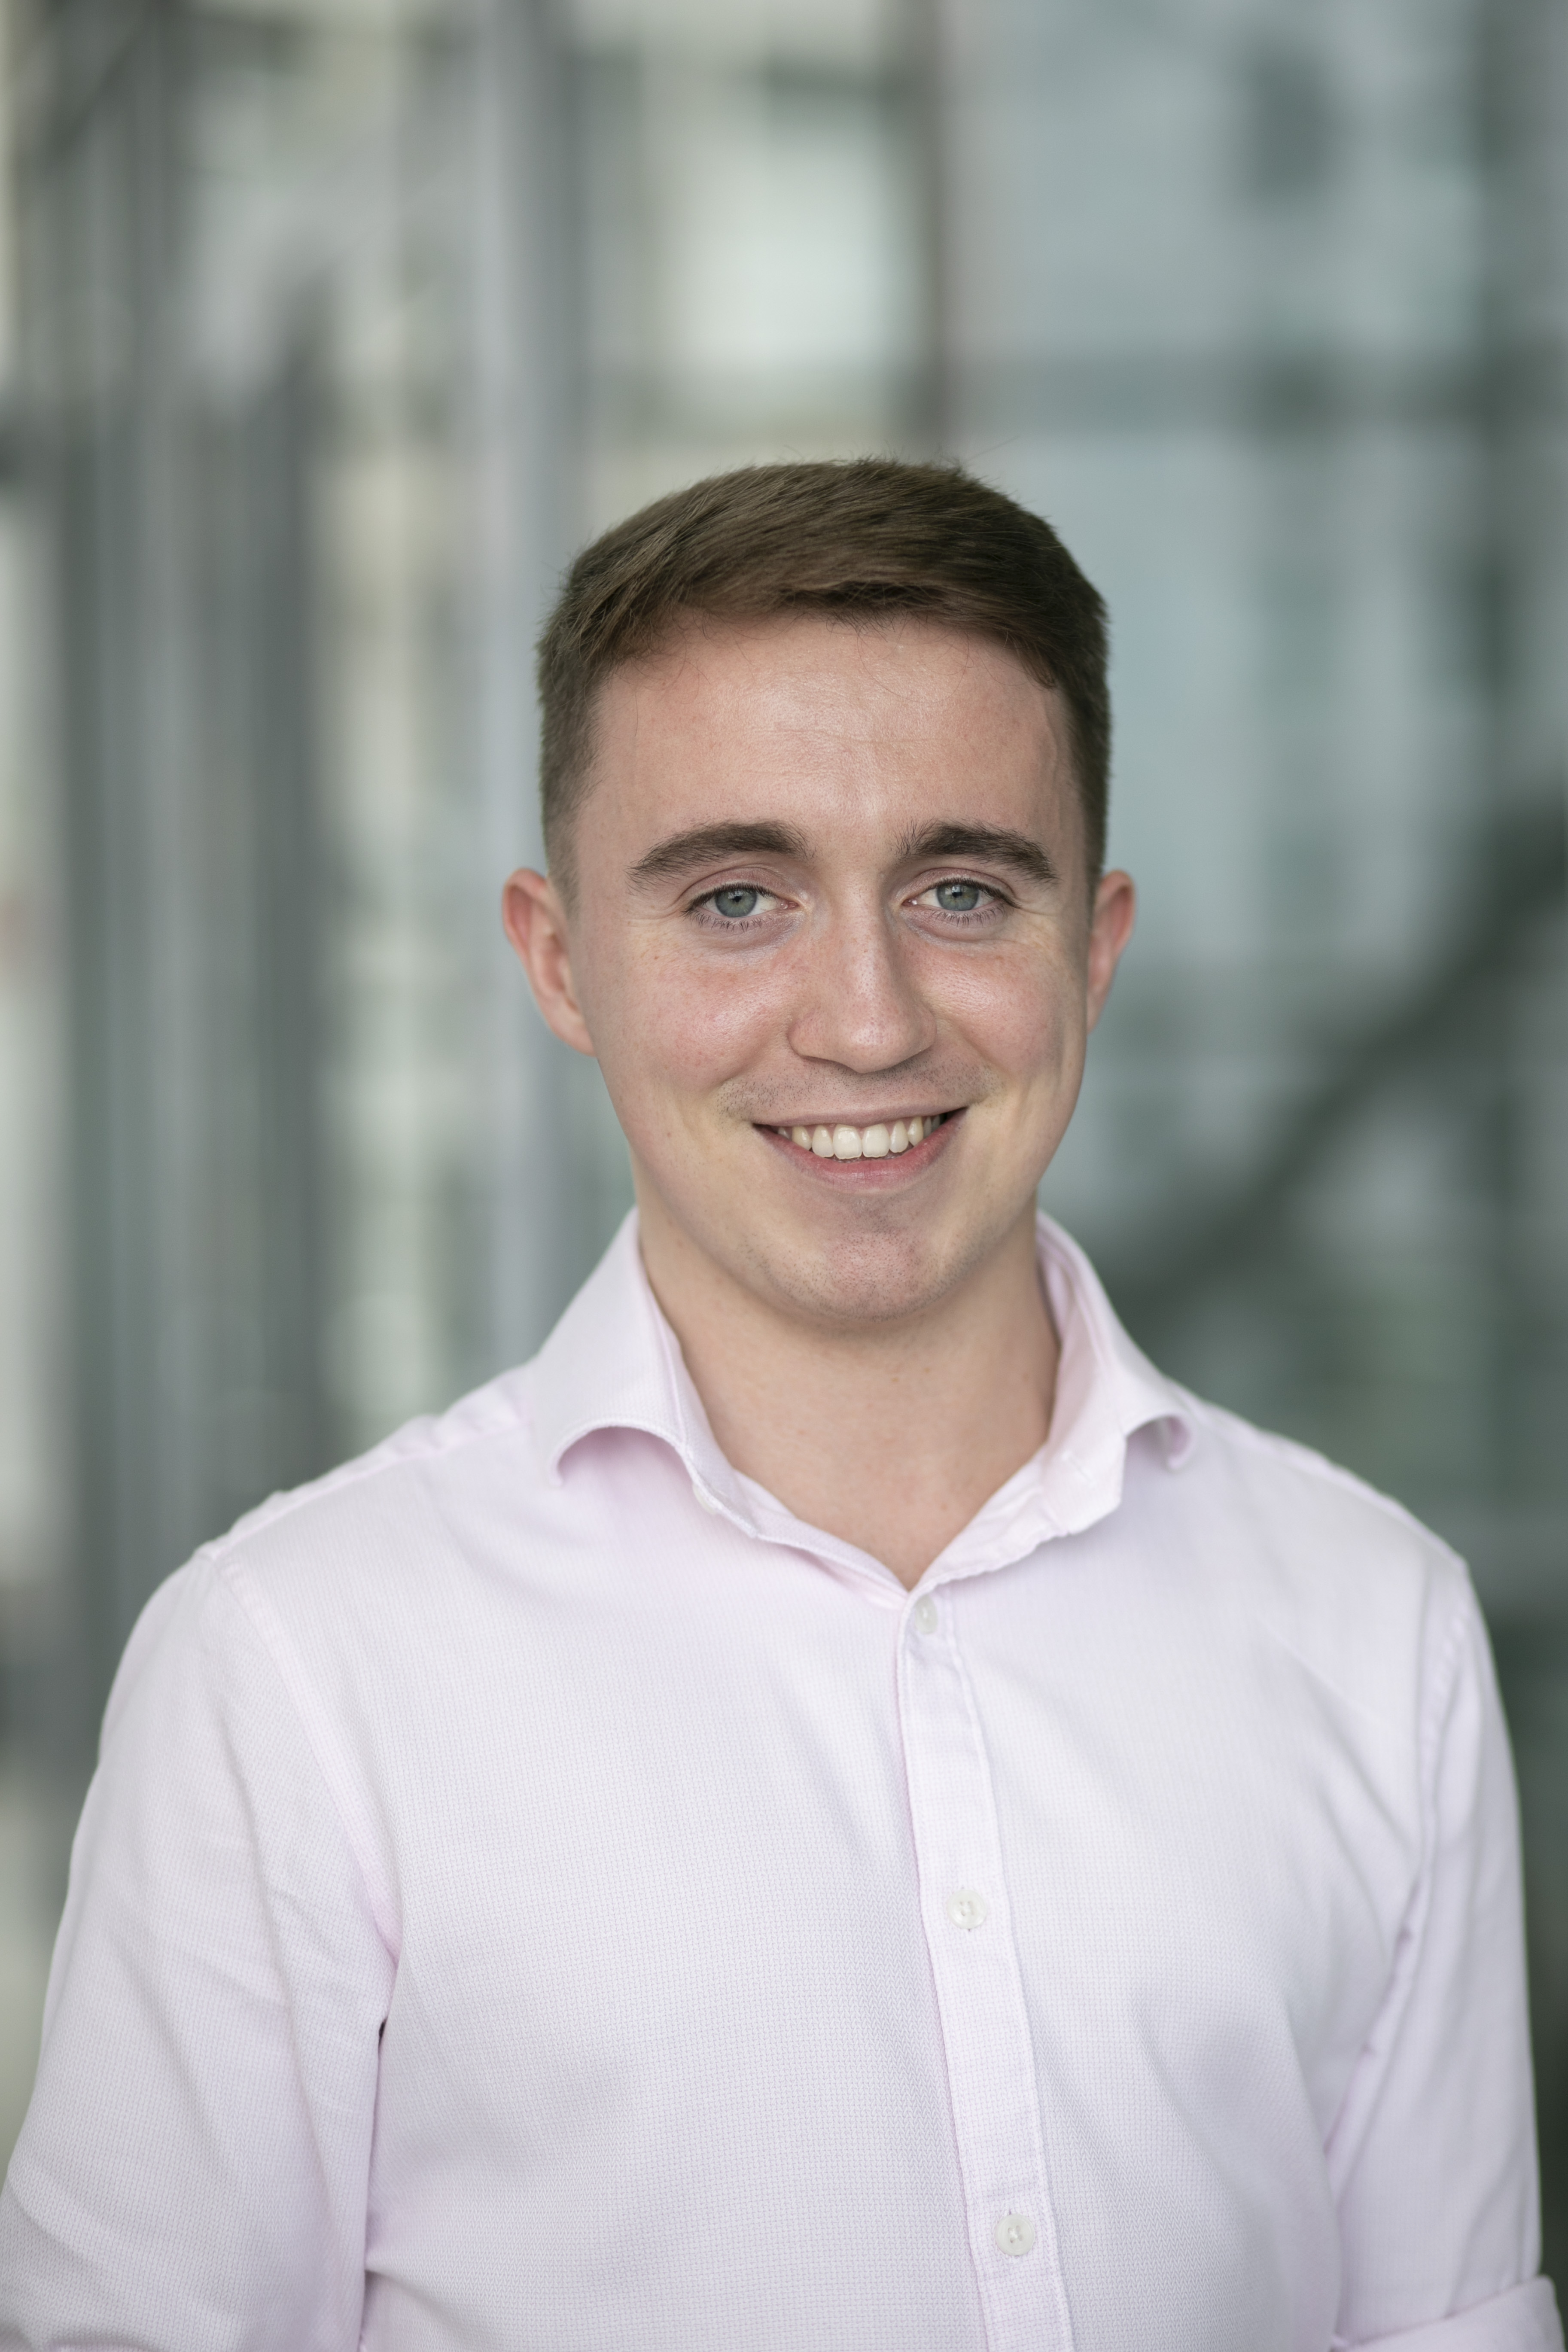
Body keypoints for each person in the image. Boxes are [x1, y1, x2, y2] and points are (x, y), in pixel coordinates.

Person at [0, 460, 1556, 2352]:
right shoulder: (292, 1670)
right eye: (737, 898)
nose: (868, 1018)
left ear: (1094, 945)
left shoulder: (1373, 1624)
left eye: (960, 891)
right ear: (560, 960)